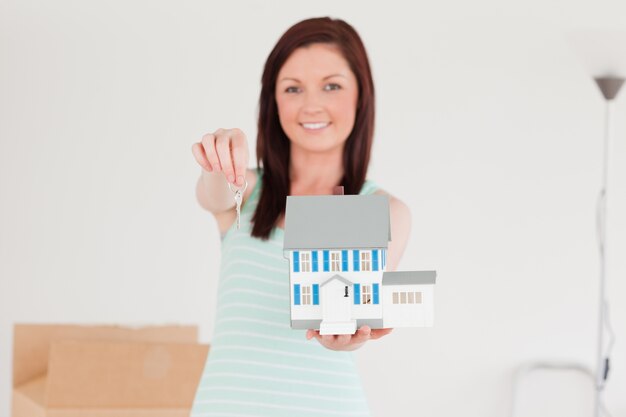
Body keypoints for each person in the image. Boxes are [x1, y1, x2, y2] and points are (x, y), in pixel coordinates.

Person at [189, 16, 411, 417]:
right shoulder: (246, 190)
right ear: (273, 101)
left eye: (332, 85)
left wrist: (346, 337)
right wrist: (217, 159)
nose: (311, 105)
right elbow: (212, 194)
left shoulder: (383, 211)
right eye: (293, 88)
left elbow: (360, 317)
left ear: (361, 96)